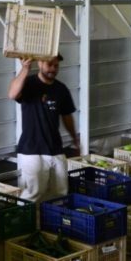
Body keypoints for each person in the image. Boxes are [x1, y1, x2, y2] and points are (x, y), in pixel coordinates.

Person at [8, 54, 79, 203]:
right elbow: (12, 94)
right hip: (31, 149)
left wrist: (75, 139)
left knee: (60, 192)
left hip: (55, 148)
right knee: (33, 193)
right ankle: (23, 221)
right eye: (49, 64)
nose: (53, 69)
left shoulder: (61, 89)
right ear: (39, 63)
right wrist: (25, 68)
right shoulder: (28, 84)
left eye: (56, 66)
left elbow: (67, 116)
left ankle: (51, 223)